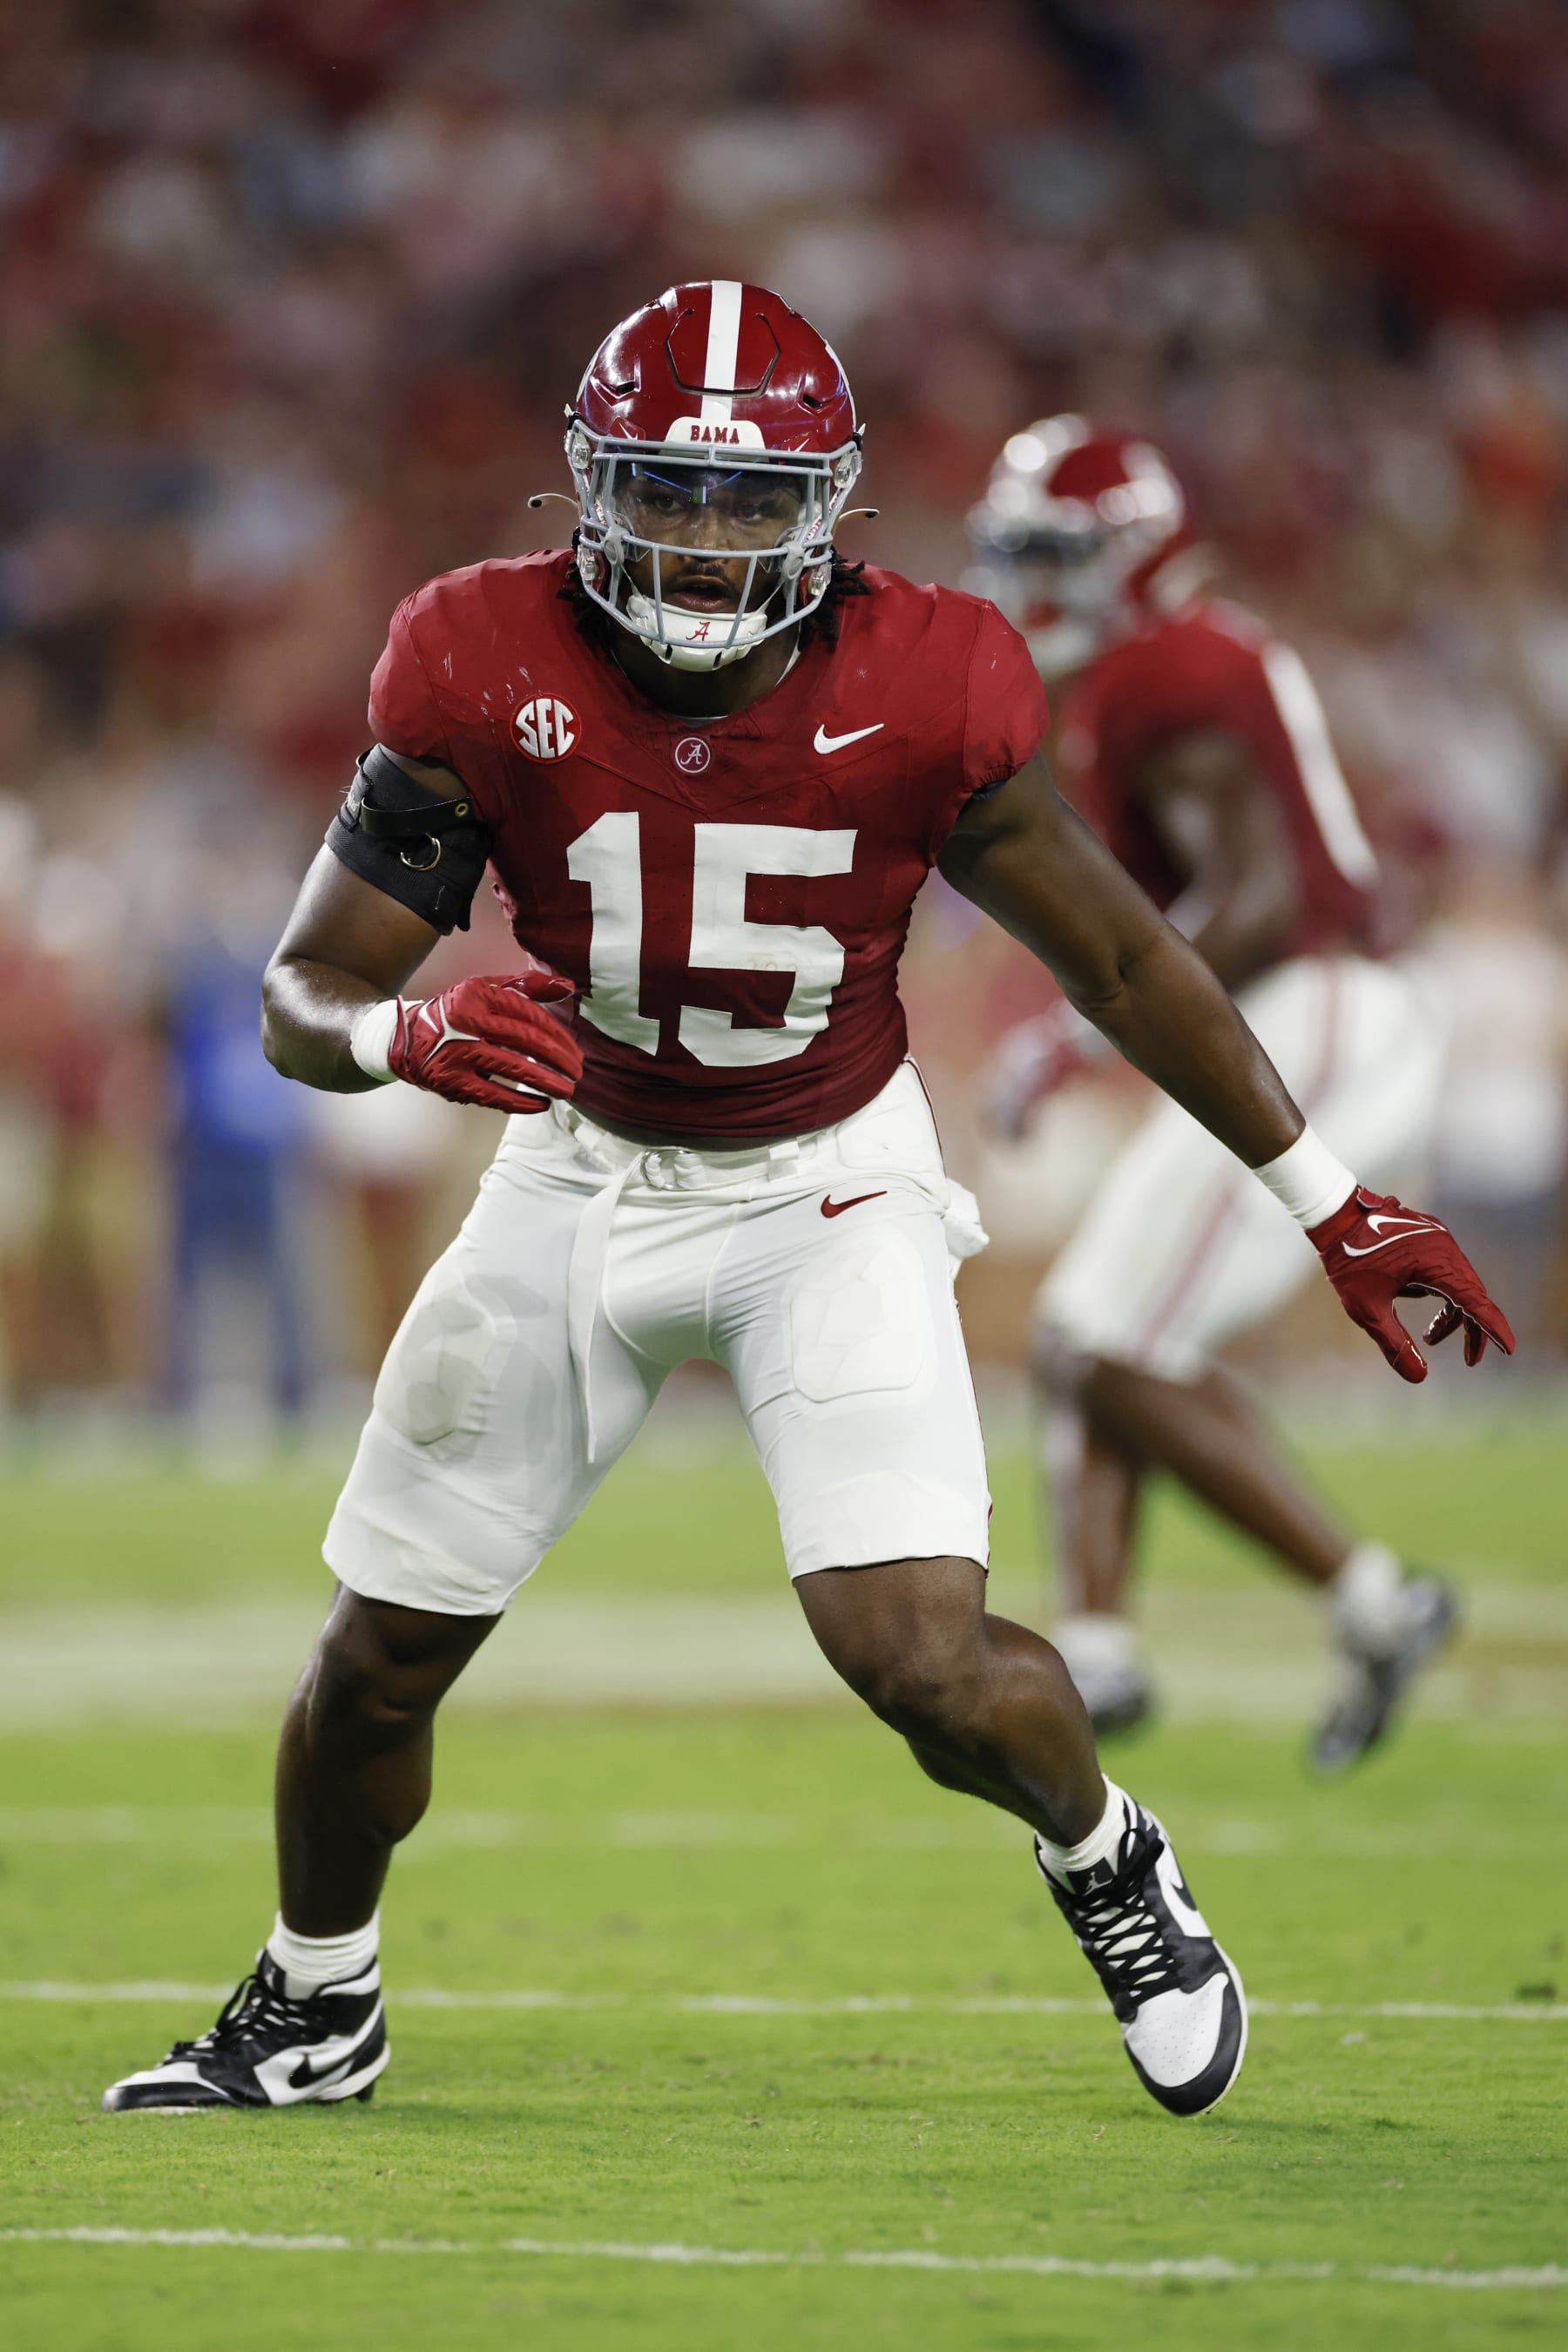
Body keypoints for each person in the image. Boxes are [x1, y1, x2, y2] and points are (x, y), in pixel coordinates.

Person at [101, 287, 1509, 2122]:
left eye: (744, 500)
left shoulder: (934, 676)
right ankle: (315, 2004)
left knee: (919, 1660)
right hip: (575, 1174)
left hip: (823, 1186)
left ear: (829, 510)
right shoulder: (472, 657)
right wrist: (401, 1036)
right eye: (664, 493)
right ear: (590, 488)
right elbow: (303, 994)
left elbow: (1125, 958)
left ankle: (1109, 1863)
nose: (699, 540)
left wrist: (1330, 1199)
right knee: (377, 1655)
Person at [969, 416, 1459, 1762]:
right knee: (1086, 1337)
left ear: (1132, 554)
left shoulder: (1170, 669)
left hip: (1324, 1005)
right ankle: (1106, 1654)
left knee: (1112, 1346)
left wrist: (1077, 1037)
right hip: (1299, 1009)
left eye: (1053, 554)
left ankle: (1373, 1600)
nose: (1032, 584)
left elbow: (1260, 896)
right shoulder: (1145, 666)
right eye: (1016, 553)